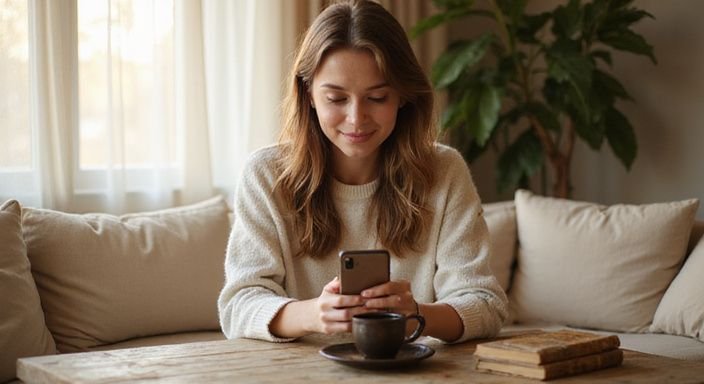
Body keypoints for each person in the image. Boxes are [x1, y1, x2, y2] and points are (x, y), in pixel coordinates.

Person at [218, 0, 507, 343]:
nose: (356, 119)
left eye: (377, 97)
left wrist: (417, 313)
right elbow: (238, 305)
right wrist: (313, 314)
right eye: (336, 99)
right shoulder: (265, 175)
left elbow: (486, 305)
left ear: (402, 96)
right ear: (309, 94)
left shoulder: (444, 172)